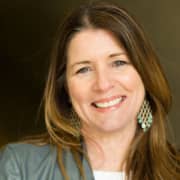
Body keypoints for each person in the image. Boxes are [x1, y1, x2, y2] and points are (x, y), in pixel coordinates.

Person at [0, 1, 179, 179]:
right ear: (65, 88)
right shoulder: (21, 167)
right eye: (84, 69)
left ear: (145, 73)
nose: (103, 84)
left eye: (118, 63)